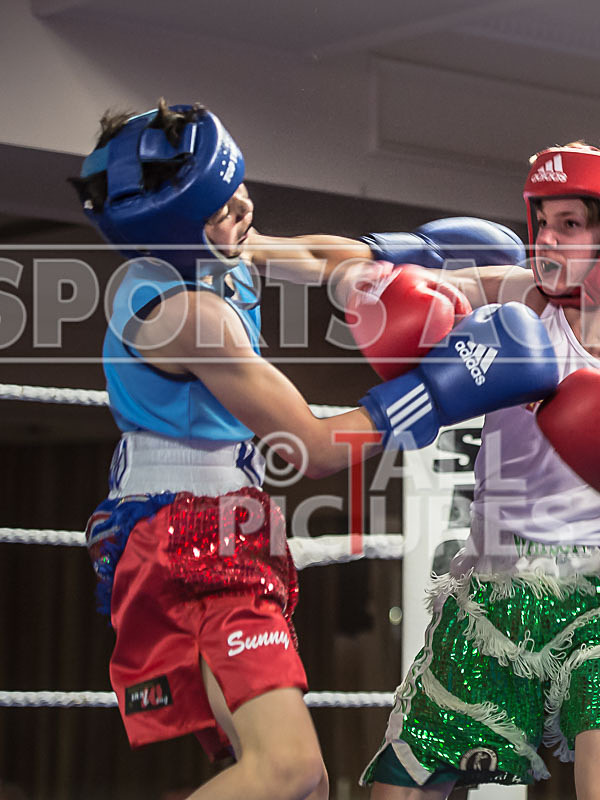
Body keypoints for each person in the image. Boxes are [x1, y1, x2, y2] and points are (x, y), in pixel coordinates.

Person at [72, 100, 560, 800]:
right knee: (291, 771)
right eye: (220, 206)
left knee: (293, 778)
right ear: (175, 228)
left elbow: (308, 255)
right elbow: (307, 446)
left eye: (236, 185)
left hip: (200, 528)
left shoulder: (215, 253)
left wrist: (400, 259)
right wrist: (443, 390)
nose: (241, 206)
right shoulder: (186, 315)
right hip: (188, 539)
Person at [314, 142, 600, 798]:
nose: (546, 239)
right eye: (541, 222)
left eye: (570, 224)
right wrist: (255, 247)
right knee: (400, 792)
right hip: (492, 584)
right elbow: (372, 270)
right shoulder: (519, 298)